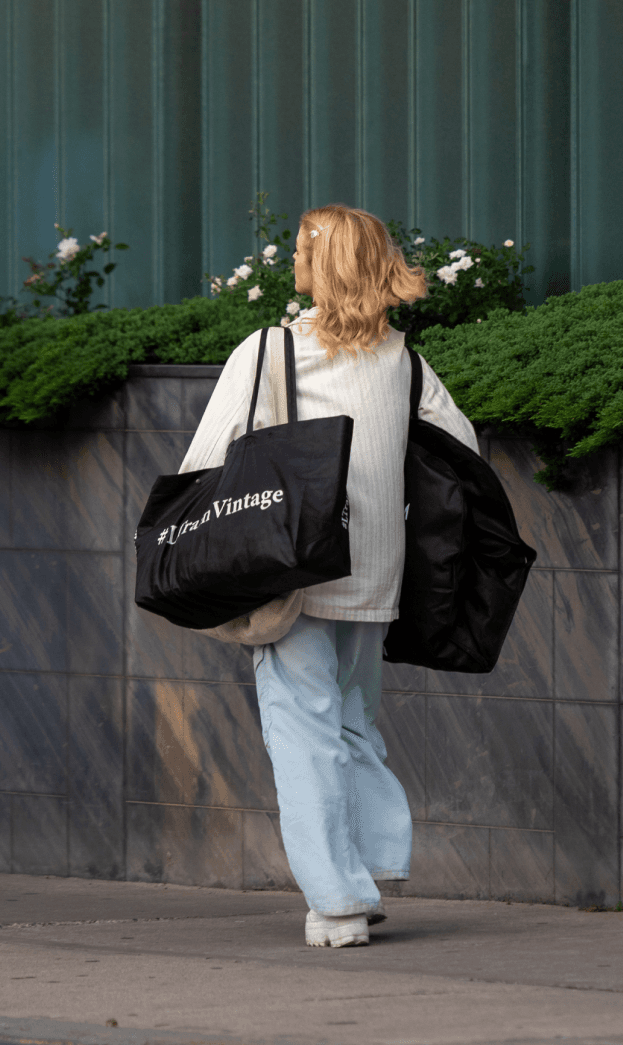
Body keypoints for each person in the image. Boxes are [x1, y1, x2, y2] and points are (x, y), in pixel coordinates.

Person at [178, 204, 478, 947]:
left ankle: (339, 903)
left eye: (298, 250)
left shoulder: (269, 349)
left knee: (301, 729)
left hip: (292, 576)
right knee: (350, 721)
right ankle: (366, 867)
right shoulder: (404, 361)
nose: (290, 262)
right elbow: (462, 449)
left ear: (318, 262)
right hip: (377, 574)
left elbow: (206, 461)